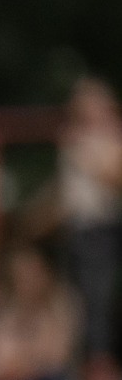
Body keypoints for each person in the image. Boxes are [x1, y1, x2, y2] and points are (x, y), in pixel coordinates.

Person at [57, 78, 122, 361]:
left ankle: (102, 363)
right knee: (81, 302)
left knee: (98, 302)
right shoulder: (76, 140)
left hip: (104, 230)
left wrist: (88, 158)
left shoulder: (108, 140)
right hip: (79, 230)